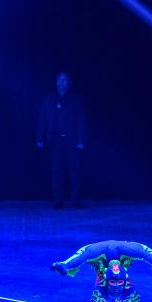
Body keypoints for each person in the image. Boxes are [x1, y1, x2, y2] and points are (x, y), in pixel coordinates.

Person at [37, 72, 86, 208]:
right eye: (59, 80)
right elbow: (42, 119)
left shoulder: (76, 99)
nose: (61, 82)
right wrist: (40, 138)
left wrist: (81, 140)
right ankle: (58, 201)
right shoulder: (49, 99)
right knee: (56, 171)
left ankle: (75, 200)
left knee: (74, 171)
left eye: (64, 80)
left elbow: (81, 120)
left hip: (72, 140)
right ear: (56, 82)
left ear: (69, 83)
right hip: (55, 140)